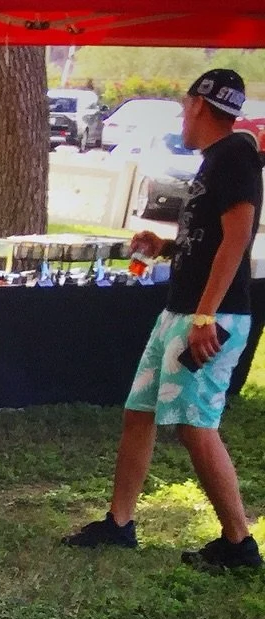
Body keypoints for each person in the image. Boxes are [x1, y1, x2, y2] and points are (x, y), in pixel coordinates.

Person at [64, 68, 262, 571]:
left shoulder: (236, 154)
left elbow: (238, 237)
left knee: (196, 424)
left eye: (183, 106)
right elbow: (211, 240)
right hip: (182, 313)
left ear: (198, 103)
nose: (181, 116)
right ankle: (120, 522)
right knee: (140, 414)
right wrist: (166, 246)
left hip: (208, 318)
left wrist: (205, 315)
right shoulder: (216, 159)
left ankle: (239, 543)